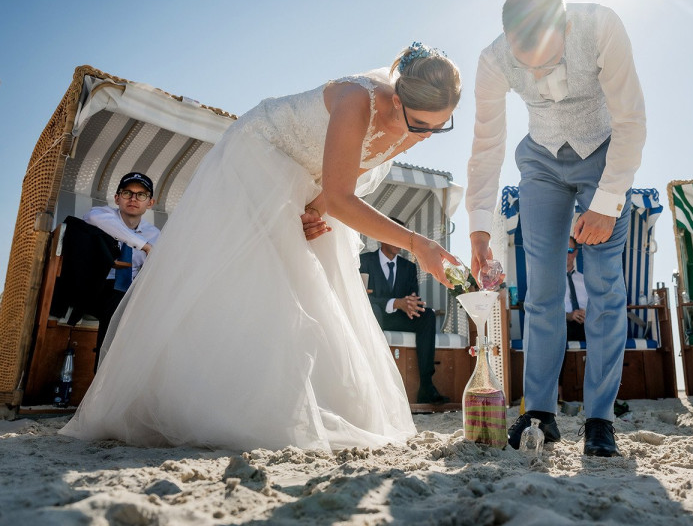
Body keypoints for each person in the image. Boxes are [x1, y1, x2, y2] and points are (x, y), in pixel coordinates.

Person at [61, 43, 461, 452]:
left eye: (440, 126)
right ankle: (215, 400)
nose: (428, 136)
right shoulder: (357, 98)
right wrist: (417, 243)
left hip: (311, 180)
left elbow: (349, 173)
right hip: (262, 152)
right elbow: (345, 196)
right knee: (255, 276)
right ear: (397, 100)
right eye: (422, 124)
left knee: (320, 274)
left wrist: (315, 209)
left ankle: (308, 403)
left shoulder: (415, 129)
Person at [466, 0, 646, 456]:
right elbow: (487, 144)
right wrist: (479, 229)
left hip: (603, 156)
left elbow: (630, 120)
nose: (536, 70)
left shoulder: (602, 25)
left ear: (565, 25)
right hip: (541, 162)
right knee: (542, 289)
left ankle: (600, 418)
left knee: (605, 288)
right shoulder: (492, 59)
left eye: (545, 56)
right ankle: (540, 412)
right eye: (524, 57)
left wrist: (607, 203)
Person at [360, 219, 450, 405]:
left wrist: (411, 304)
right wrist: (395, 303)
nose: (402, 242)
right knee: (373, 308)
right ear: (382, 237)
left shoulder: (409, 267)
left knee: (427, 315)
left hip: (398, 319)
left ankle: (426, 387)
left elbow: (412, 298)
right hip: (372, 318)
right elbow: (359, 297)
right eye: (397, 236)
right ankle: (372, 383)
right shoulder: (364, 261)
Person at [82, 172, 161, 370]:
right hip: (96, 287)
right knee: (117, 302)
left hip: (131, 292)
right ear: (117, 198)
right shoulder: (102, 215)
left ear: (150, 202)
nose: (134, 199)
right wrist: (144, 246)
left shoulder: (155, 234)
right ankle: (101, 375)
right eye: (128, 193)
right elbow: (96, 219)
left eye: (141, 195)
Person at [564, 236, 586, 343]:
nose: (566, 254)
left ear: (576, 253)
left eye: (569, 250)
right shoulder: (551, 282)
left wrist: (588, 313)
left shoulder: (586, 280)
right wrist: (568, 316)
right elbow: (546, 310)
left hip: (586, 326)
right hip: (561, 327)